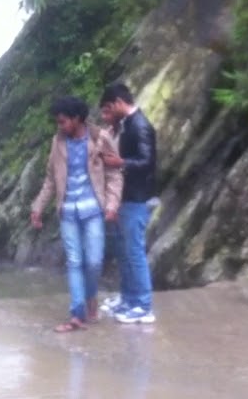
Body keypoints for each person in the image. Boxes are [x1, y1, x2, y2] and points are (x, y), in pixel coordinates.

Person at [30, 96, 123, 332]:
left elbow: (114, 175)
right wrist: (38, 207)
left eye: (63, 121)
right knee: (74, 261)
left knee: (94, 262)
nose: (59, 126)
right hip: (68, 211)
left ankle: (91, 298)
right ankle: (77, 315)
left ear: (77, 119)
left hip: (94, 210)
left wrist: (112, 205)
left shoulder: (99, 138)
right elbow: (51, 179)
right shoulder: (57, 142)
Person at [98, 82, 158, 324]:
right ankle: (129, 298)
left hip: (137, 198)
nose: (107, 114)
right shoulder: (127, 124)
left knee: (134, 252)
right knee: (124, 251)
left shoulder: (140, 125)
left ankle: (143, 306)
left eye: (108, 108)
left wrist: (120, 163)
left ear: (119, 103)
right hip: (126, 197)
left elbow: (147, 162)